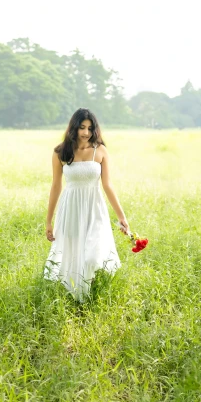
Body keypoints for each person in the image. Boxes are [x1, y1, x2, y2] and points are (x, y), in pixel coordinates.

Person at [43, 108, 129, 301]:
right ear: (74, 127)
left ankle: (88, 291)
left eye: (90, 128)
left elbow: (107, 185)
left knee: (92, 255)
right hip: (71, 208)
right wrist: (49, 221)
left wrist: (122, 217)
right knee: (73, 252)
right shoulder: (60, 152)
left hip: (94, 207)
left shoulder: (100, 151)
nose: (86, 133)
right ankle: (77, 299)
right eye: (82, 127)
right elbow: (56, 186)